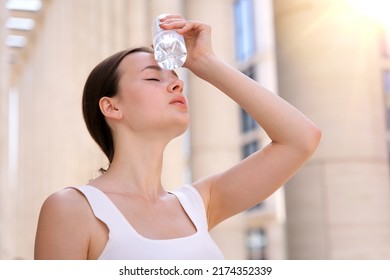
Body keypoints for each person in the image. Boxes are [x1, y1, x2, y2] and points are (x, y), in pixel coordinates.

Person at [34, 15, 321, 260]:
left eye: (175, 78)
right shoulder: (72, 208)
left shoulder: (199, 204)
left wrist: (206, 61)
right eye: (152, 78)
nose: (175, 83)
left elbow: (302, 139)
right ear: (112, 106)